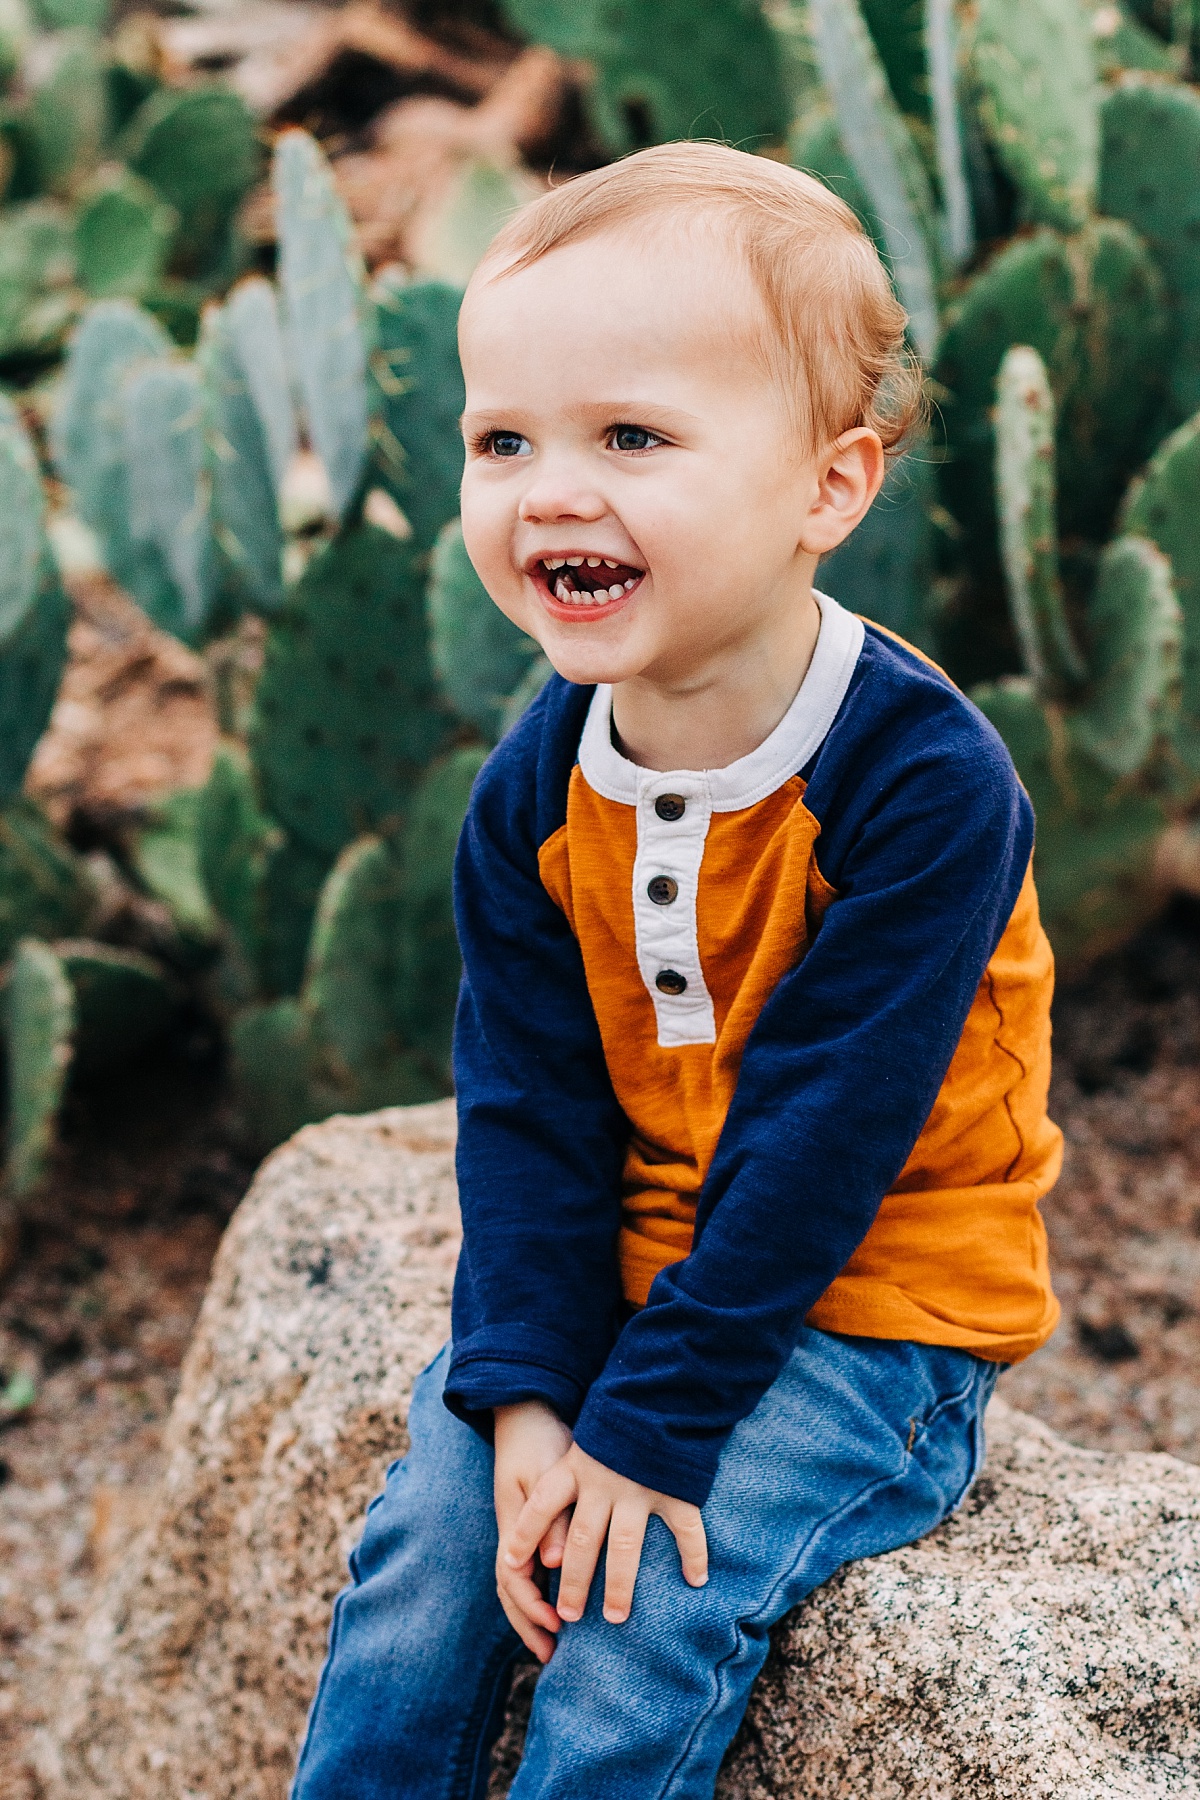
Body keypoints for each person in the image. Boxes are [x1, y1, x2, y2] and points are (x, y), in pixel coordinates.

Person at [291, 140, 1062, 1800]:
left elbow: (826, 1141)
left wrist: (644, 1433)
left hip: (877, 1295)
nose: (551, 489)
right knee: (428, 1569)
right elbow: (528, 1106)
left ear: (828, 489)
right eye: (506, 441)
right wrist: (523, 1401)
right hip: (638, 1256)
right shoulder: (537, 781)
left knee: (642, 1603)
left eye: (631, 436)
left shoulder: (920, 784)